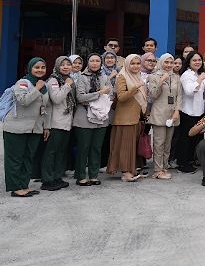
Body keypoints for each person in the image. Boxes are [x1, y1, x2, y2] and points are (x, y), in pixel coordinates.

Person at [4, 58, 50, 197]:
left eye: (43, 67)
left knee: (28, 157)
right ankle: (15, 188)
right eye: (37, 67)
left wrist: (46, 127)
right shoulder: (23, 82)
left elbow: (44, 107)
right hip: (16, 128)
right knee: (15, 158)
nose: (40, 70)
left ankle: (24, 185)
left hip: (35, 128)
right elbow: (23, 100)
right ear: (30, 68)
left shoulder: (44, 85)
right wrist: (36, 88)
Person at [72, 53, 112, 186]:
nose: (95, 63)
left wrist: (95, 98)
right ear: (87, 63)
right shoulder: (82, 78)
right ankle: (81, 176)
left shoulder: (104, 77)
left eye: (97, 61)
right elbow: (81, 98)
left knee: (96, 148)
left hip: (101, 117)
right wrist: (99, 93)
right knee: (84, 148)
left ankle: (94, 175)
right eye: (92, 61)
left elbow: (110, 95)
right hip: (84, 118)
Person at [108, 54, 147, 183]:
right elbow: (122, 97)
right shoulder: (122, 77)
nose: (136, 66)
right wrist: (134, 88)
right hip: (125, 118)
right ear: (127, 64)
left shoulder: (138, 76)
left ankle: (131, 170)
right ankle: (125, 173)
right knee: (125, 146)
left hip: (135, 117)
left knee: (132, 146)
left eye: (138, 63)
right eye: (133, 63)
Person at [42, 56, 75, 191]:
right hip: (55, 123)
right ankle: (47, 180)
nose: (66, 67)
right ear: (57, 66)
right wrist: (67, 85)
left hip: (66, 123)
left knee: (61, 152)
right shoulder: (53, 80)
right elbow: (56, 98)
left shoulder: (68, 80)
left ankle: (57, 177)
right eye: (63, 64)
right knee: (51, 152)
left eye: (68, 64)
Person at [146, 53, 180, 180]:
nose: (169, 65)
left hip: (172, 114)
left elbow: (179, 96)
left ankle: (164, 167)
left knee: (168, 143)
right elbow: (153, 95)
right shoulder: (153, 76)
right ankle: (157, 169)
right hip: (159, 113)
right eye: (166, 62)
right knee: (159, 143)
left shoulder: (176, 77)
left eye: (171, 63)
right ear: (161, 63)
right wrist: (161, 81)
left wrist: (177, 110)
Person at [176, 51, 205, 174]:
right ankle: (182, 164)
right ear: (188, 62)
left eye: (199, 60)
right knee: (185, 139)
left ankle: (190, 161)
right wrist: (200, 79)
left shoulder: (199, 74)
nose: (197, 62)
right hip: (188, 112)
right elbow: (189, 91)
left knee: (195, 140)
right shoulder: (186, 75)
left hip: (199, 112)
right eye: (194, 60)